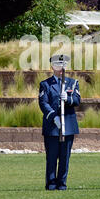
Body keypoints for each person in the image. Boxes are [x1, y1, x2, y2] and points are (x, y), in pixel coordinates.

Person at [38, 54, 81, 190]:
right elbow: (43, 103)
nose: (61, 68)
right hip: (52, 126)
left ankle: (62, 183)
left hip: (67, 125)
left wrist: (68, 99)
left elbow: (77, 101)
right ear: (52, 67)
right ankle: (51, 183)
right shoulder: (45, 84)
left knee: (64, 157)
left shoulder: (72, 83)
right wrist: (53, 117)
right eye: (57, 65)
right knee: (51, 157)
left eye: (63, 65)